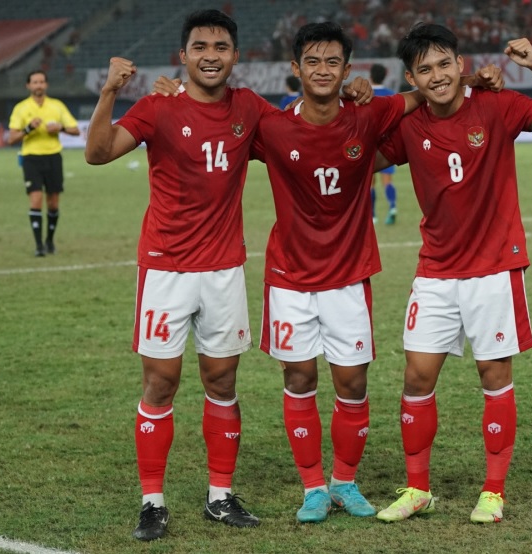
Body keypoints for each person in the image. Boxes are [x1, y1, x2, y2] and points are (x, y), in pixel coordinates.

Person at [88, 10, 373, 541]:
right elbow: (98, 152)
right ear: (184, 56)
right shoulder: (157, 108)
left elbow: (302, 126)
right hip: (166, 271)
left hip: (223, 271)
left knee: (222, 382)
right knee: (160, 383)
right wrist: (110, 91)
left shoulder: (249, 109)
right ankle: (153, 501)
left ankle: (220, 495)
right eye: (201, 47)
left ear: (236, 56)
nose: (211, 55)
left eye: (221, 46)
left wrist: (352, 94)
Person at [250, 22, 500, 524]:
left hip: (348, 275)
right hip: (289, 277)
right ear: (295, 69)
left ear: (348, 71)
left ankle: (344, 481)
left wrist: (478, 83)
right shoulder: (270, 126)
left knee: (352, 385)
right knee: (299, 378)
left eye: (333, 63)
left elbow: (424, 93)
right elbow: (214, 118)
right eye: (313, 62)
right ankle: (313, 488)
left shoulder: (370, 113)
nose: (323, 71)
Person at [373, 24, 532, 524]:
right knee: (417, 376)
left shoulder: (497, 104)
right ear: (411, 77)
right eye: (424, 69)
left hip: (493, 269)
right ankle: (418, 488)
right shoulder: (408, 124)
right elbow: (360, 158)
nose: (437, 75)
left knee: (494, 375)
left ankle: (493, 491)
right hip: (436, 271)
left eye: (444, 64)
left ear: (460, 64)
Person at [7, 70, 80, 257]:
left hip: (53, 156)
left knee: (53, 203)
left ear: (46, 85)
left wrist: (60, 128)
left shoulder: (57, 106)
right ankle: (39, 244)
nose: (38, 85)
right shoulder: (21, 108)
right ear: (28, 86)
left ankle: (50, 241)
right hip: (31, 158)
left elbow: (76, 130)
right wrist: (28, 128)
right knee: (36, 199)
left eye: (41, 82)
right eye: (35, 82)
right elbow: (11, 138)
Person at [368, 62, 399, 225]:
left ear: (370, 76)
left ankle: (372, 215)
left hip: (369, 145)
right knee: (387, 180)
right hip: (387, 144)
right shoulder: (391, 95)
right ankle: (393, 207)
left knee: (370, 182)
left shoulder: (366, 95)